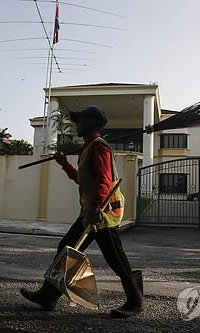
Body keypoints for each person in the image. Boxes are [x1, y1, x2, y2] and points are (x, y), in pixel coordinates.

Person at [20, 106, 144, 318]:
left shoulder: (99, 148)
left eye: (81, 121)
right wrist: (64, 165)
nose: (77, 124)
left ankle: (136, 301)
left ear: (92, 124)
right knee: (66, 248)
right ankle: (48, 295)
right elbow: (83, 180)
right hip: (90, 213)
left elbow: (104, 181)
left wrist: (96, 207)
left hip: (103, 215)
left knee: (116, 260)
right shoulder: (88, 148)